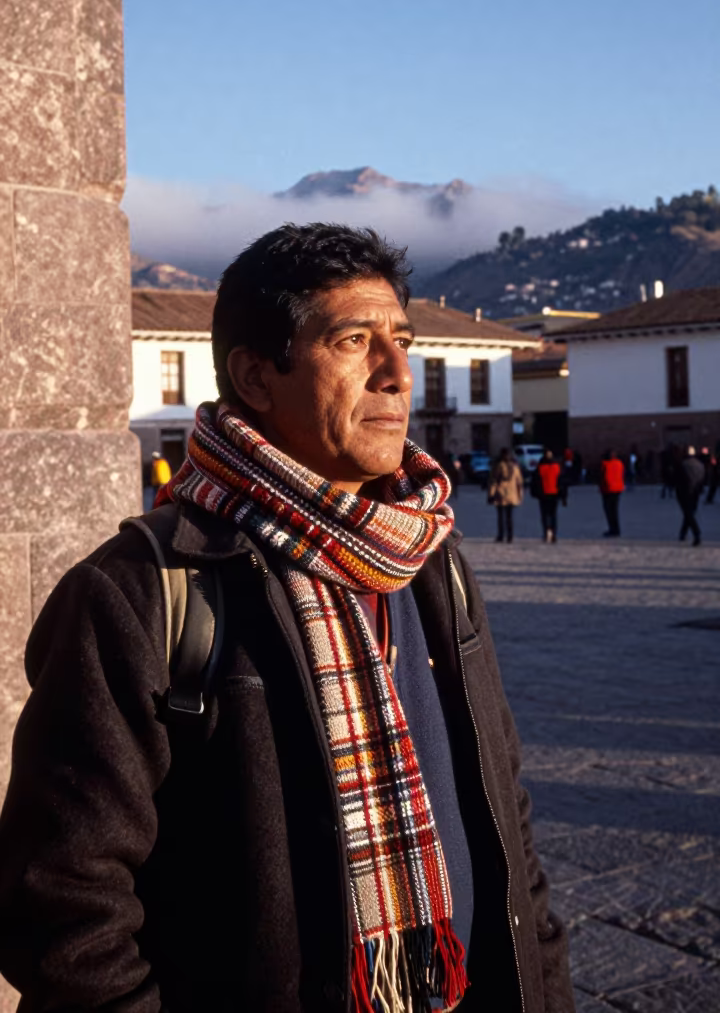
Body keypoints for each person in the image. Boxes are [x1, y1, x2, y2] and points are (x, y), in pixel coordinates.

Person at [0, 224, 574, 1013]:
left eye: (401, 341)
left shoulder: (433, 564)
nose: (399, 373)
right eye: (354, 340)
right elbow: (61, 902)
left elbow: (505, 814)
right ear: (255, 376)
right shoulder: (140, 593)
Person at [488, 447, 524, 543]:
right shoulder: (515, 467)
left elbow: (494, 481)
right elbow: (519, 482)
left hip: (501, 494)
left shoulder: (499, 466)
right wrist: (520, 496)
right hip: (512, 495)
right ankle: (510, 536)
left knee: (501, 516)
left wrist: (491, 494)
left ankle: (501, 535)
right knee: (509, 517)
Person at [532, 448, 565, 543]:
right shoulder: (557, 466)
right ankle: (554, 533)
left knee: (545, 515)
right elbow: (561, 482)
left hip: (543, 494)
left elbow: (536, 482)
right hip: (554, 494)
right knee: (553, 514)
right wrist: (563, 495)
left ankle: (546, 532)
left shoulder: (540, 467)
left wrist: (535, 493)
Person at [676, 445, 705, 546]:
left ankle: (696, 533)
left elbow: (678, 480)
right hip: (695, 493)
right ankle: (683, 533)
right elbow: (703, 479)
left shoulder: (682, 465)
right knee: (689, 513)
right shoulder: (700, 465)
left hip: (685, 492)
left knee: (688, 514)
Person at [599, 449, 625, 537]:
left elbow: (605, 478)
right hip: (618, 489)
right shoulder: (619, 463)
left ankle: (612, 529)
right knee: (614, 510)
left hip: (608, 490)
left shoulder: (605, 464)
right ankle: (616, 528)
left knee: (609, 511)